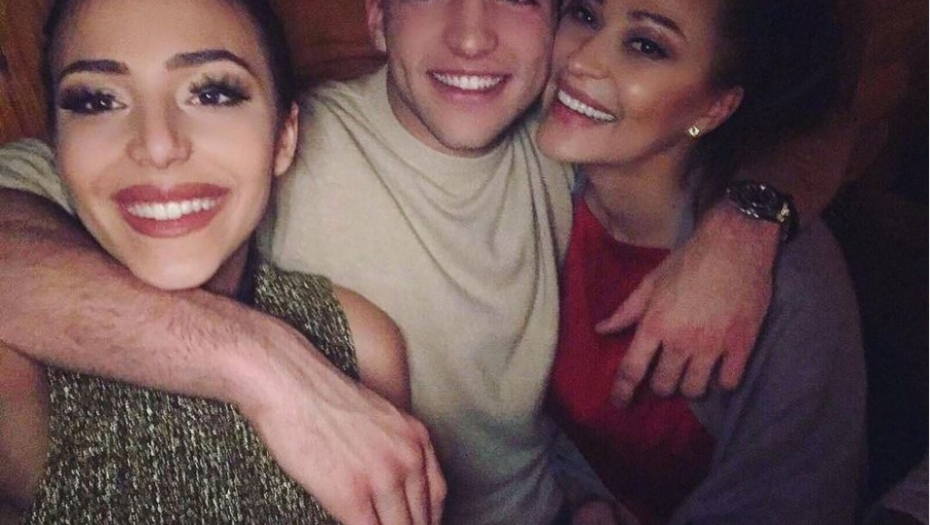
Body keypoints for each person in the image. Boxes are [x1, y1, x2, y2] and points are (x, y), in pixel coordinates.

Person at [0, 0, 855, 522]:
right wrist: (260, 363)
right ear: (377, 16)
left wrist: (751, 221)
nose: (473, 35)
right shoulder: (256, 142)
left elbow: (803, 118)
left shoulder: (563, 145)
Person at [0, 0, 436, 523]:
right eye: (98, 101)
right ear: (56, 148)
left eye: (211, 93)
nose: (157, 145)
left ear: (283, 138)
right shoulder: (18, 354)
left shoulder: (360, 339)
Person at [540, 0, 866, 523]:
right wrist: (584, 501)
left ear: (714, 108)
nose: (581, 60)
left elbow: (792, 502)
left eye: (646, 45)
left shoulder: (788, 290)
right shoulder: (547, 183)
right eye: (585, 14)